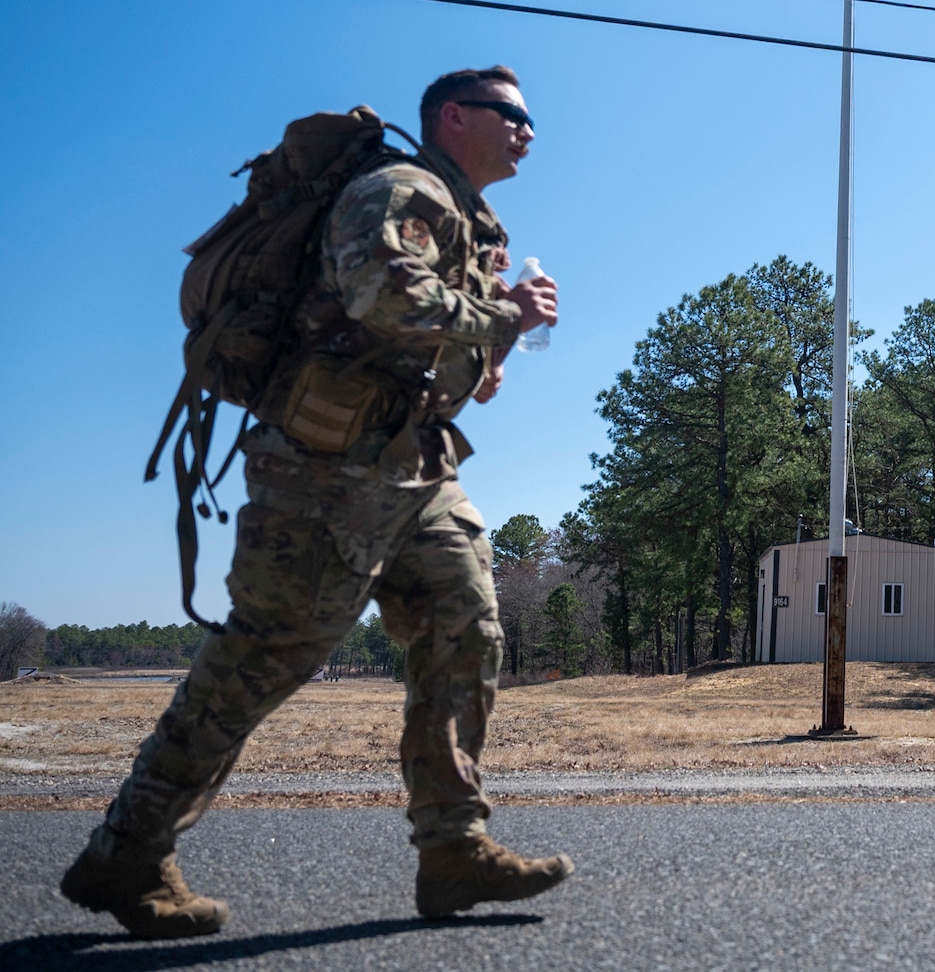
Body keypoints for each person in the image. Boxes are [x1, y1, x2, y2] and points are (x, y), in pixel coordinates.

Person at [62, 66, 571, 938]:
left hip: (415, 470)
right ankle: (127, 853)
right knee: (260, 662)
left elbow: (444, 361)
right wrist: (500, 319)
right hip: (319, 471)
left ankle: (453, 850)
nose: (529, 132)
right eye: (513, 116)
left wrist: (498, 340)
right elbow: (380, 292)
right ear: (455, 117)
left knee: (467, 631)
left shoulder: (473, 223)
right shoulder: (402, 189)